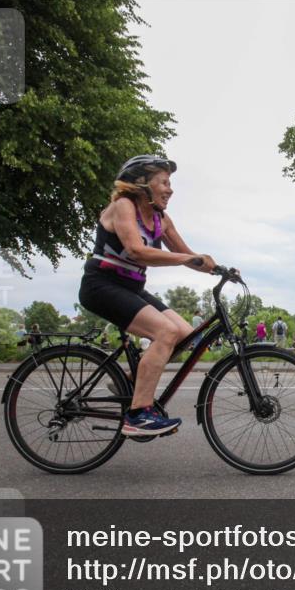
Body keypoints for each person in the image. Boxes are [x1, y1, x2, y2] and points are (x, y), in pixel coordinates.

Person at [77, 154, 218, 438]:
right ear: (141, 183)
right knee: (166, 331)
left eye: (170, 184)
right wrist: (187, 259)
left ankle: (131, 380)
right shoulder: (123, 206)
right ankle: (138, 414)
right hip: (101, 285)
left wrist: (219, 269)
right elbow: (136, 251)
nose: (170, 190)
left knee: (186, 335)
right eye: (164, 182)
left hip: (131, 288)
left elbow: (188, 256)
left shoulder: (160, 219)